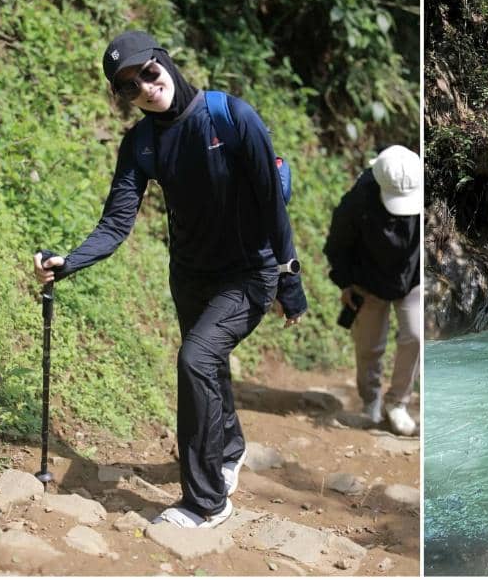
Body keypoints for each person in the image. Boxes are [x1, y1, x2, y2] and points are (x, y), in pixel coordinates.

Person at [33, 31, 307, 529]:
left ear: (165, 61)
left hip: (249, 273)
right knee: (208, 361)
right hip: (190, 275)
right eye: (129, 86)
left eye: (148, 72)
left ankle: (206, 503)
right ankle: (229, 452)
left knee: (196, 358)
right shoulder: (141, 144)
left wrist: (290, 278)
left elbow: (271, 201)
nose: (145, 87)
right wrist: (69, 261)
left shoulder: (230, 116)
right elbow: (117, 223)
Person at [323, 145, 421, 436]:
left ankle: (398, 403)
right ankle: (371, 403)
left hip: (412, 278)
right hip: (367, 281)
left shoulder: (421, 188)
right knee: (368, 347)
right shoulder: (358, 200)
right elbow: (338, 244)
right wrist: (345, 283)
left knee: (415, 335)